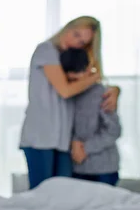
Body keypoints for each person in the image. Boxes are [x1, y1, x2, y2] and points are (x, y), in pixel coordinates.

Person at [19, 16, 120, 189]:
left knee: (63, 195)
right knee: (41, 195)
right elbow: (65, 90)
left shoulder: (71, 60)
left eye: (82, 42)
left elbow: (86, 94)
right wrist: (95, 76)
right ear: (67, 28)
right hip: (41, 137)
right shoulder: (46, 50)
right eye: (76, 34)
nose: (76, 42)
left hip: (63, 141)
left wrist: (115, 89)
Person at [60, 49, 121, 186]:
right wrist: (74, 144)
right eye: (70, 79)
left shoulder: (103, 94)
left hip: (104, 169)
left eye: (77, 79)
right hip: (77, 169)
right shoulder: (67, 96)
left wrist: (85, 148)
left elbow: (113, 130)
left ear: (88, 70)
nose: (75, 84)